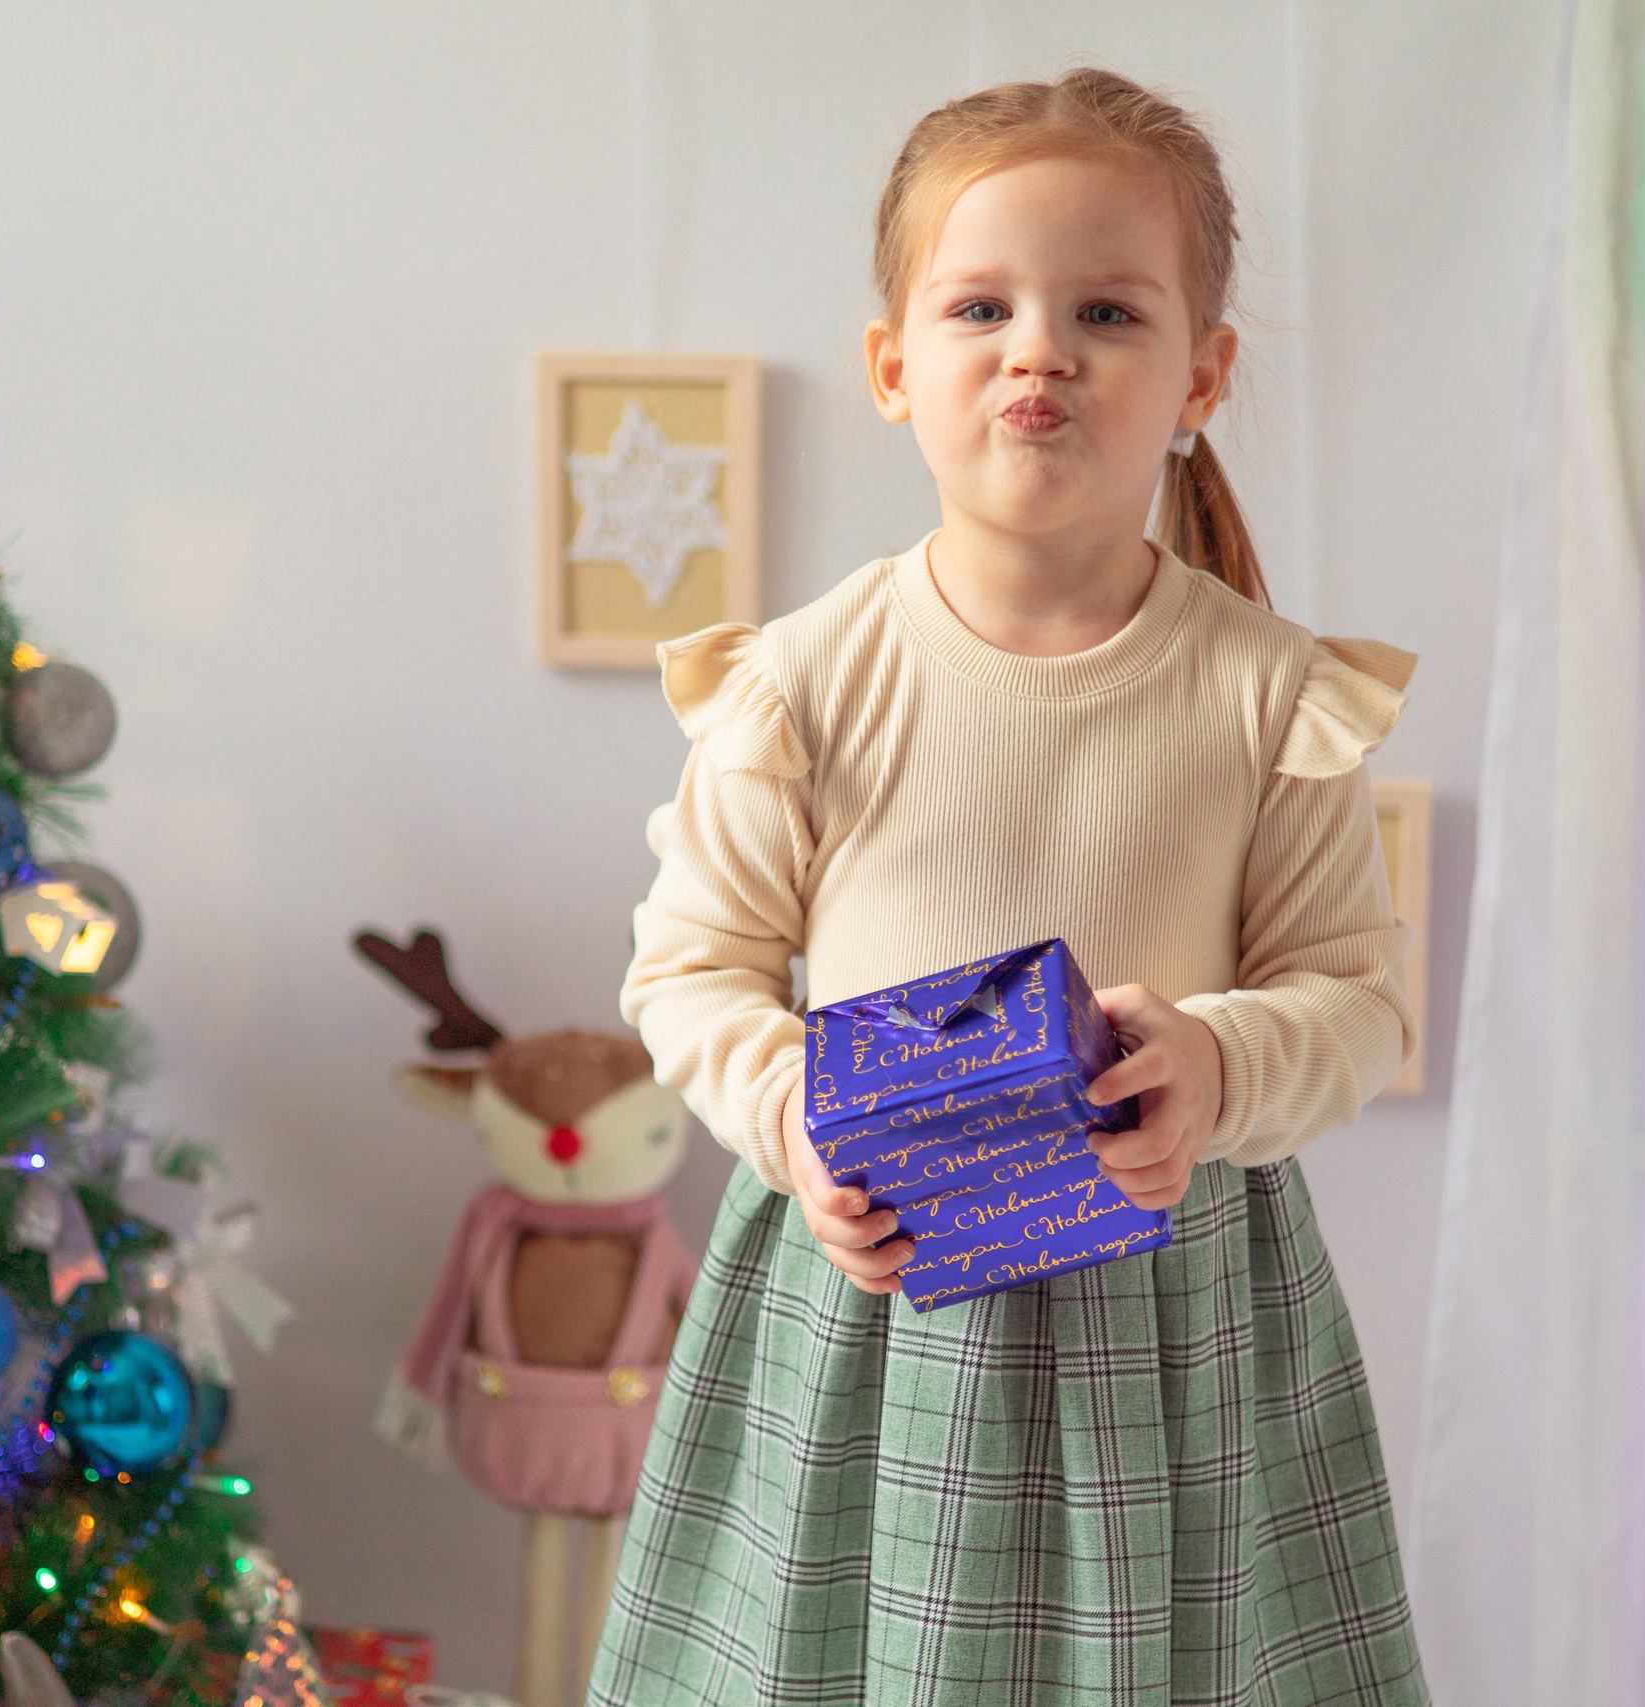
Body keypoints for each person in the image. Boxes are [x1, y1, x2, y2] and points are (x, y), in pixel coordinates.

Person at [593, 69, 1429, 1707]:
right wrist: (797, 1122)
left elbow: (1358, 998)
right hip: (874, 1300)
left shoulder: (1269, 696)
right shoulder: (803, 683)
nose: (1040, 350)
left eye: (1107, 310)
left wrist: (1214, 1059)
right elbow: (692, 973)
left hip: (1169, 1315)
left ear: (1203, 374)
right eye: (983, 306)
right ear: (898, 369)